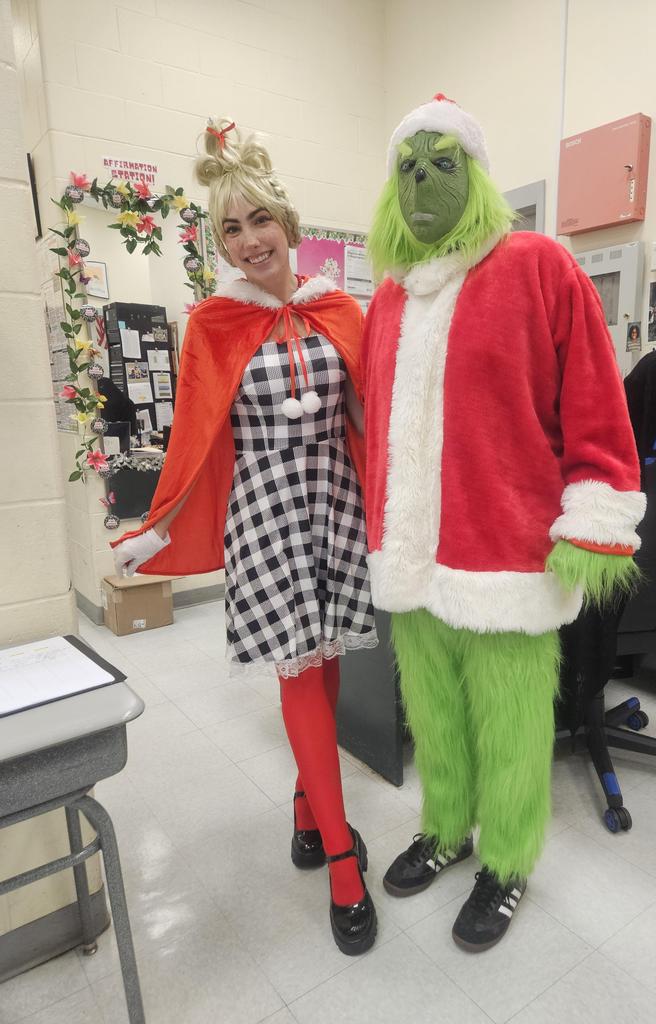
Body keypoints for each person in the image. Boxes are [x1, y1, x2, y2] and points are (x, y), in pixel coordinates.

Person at [362, 95, 645, 953]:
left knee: (512, 725)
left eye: (441, 164)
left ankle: (509, 858)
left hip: (508, 559)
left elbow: (597, 407)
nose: (423, 181)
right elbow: (376, 430)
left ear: (476, 175)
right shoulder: (388, 300)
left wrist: (593, 512)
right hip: (413, 558)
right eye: (408, 167)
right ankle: (446, 826)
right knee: (435, 716)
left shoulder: (538, 266)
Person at [111, 118, 378, 956]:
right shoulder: (213, 323)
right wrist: (154, 528)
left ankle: (307, 810)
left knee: (328, 665)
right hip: (266, 510)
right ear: (220, 242)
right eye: (231, 228)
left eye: (260, 219)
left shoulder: (340, 308)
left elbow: (371, 414)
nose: (250, 239)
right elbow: (193, 437)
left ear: (288, 224)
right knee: (298, 670)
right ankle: (341, 862)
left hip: (336, 502)